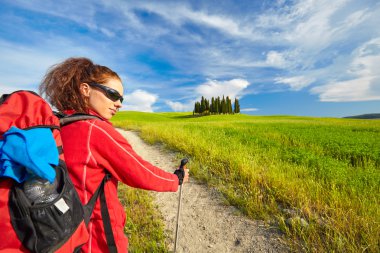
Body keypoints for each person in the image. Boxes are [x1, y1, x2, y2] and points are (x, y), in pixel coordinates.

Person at [39, 57, 188, 253]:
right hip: (97, 239)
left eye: (121, 99)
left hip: (61, 234)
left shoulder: (59, 124)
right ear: (85, 89)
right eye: (112, 94)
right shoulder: (95, 130)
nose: (119, 104)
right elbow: (140, 172)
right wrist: (175, 179)